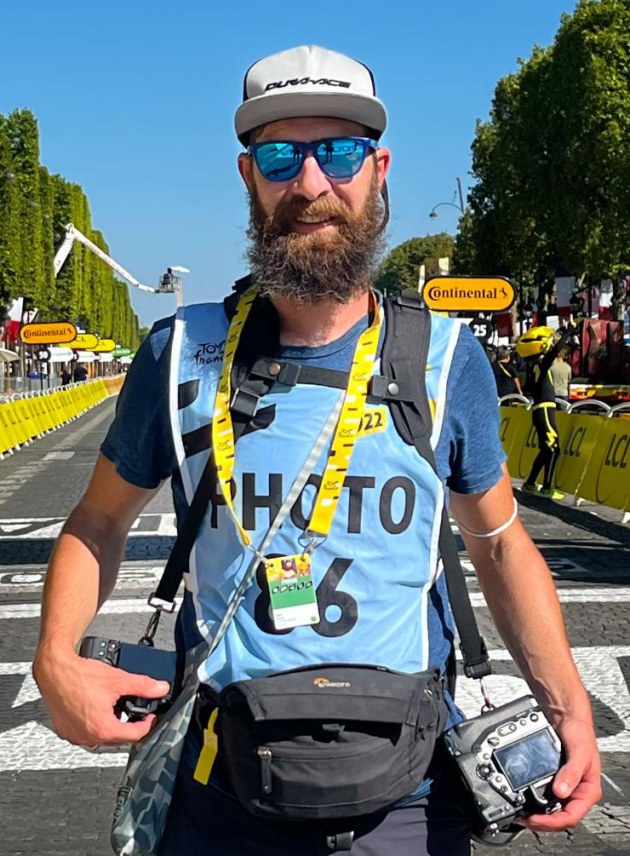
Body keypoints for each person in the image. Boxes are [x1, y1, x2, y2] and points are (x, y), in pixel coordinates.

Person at [33, 45, 600, 856]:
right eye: (279, 155)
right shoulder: (179, 353)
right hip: (220, 784)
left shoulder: (444, 356)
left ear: (378, 168)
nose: (309, 184)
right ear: (247, 175)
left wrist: (569, 706)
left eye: (336, 152)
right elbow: (96, 523)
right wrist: (53, 659)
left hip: (411, 794)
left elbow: (502, 542)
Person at [517, 327, 568, 498]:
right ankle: (547, 487)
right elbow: (554, 352)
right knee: (553, 449)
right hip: (545, 410)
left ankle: (531, 483)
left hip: (541, 410)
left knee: (546, 449)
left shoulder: (533, 366)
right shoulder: (541, 364)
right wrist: (567, 334)